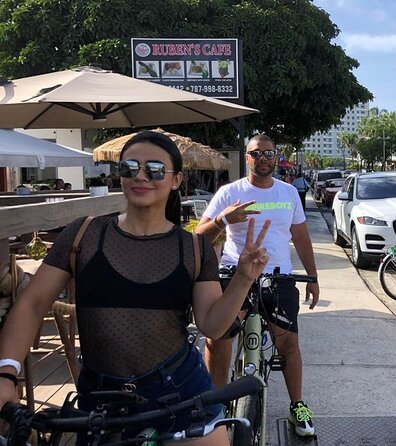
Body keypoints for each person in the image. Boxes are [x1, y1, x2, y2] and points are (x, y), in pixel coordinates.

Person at [0, 131, 270, 446]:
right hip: (102, 398)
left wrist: (242, 278)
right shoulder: (83, 235)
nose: (140, 176)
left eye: (155, 170)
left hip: (180, 390)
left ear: (176, 180)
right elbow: (33, 303)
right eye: (130, 168)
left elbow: (212, 324)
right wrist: (6, 374)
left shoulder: (194, 248)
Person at [195, 134, 319, 438]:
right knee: (219, 338)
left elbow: (301, 238)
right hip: (234, 274)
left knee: (288, 344)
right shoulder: (229, 192)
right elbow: (199, 235)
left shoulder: (288, 193)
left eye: (268, 153)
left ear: (275, 158)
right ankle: (218, 404)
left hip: (279, 277)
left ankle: (297, 405)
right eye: (256, 153)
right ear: (247, 158)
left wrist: (313, 278)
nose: (263, 158)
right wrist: (224, 219)